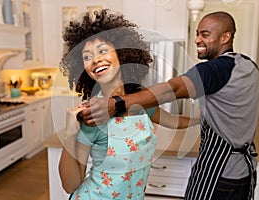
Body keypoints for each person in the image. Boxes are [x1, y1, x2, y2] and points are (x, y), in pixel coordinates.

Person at [79, 11, 259, 200]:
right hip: (245, 172)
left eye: (205, 34)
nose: (197, 40)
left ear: (226, 37)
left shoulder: (213, 71)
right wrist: (199, 119)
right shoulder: (249, 66)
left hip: (219, 172)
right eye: (197, 34)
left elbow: (171, 90)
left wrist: (117, 104)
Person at [58, 9, 198, 200]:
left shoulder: (139, 103)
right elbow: (70, 185)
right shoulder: (93, 114)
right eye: (87, 56)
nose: (96, 59)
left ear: (121, 54)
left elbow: (174, 121)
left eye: (102, 50)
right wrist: (69, 135)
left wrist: (203, 119)